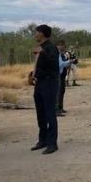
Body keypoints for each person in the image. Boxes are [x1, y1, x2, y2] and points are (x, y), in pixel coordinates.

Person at [31, 25, 60, 155]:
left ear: (42, 34)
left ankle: (52, 143)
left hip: (49, 83)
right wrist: (32, 75)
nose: (35, 35)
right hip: (39, 83)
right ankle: (42, 140)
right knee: (40, 114)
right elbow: (40, 66)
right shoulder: (41, 48)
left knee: (49, 113)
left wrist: (42, 53)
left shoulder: (50, 48)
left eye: (36, 32)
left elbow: (54, 64)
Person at [56, 40, 72, 117]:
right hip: (57, 74)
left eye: (63, 45)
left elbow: (64, 64)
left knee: (62, 91)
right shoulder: (57, 54)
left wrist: (69, 62)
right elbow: (61, 64)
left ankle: (60, 107)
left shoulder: (63, 54)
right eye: (60, 45)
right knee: (58, 92)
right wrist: (69, 62)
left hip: (62, 75)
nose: (62, 47)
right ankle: (57, 109)